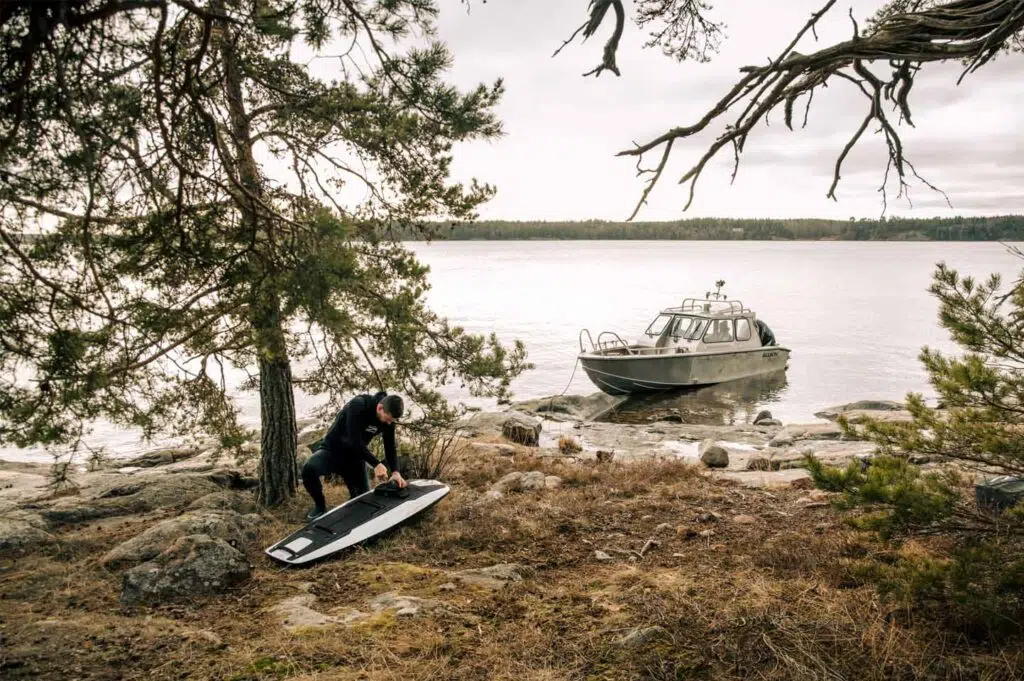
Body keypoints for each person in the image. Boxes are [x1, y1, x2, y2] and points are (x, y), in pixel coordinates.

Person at [301, 391, 407, 521]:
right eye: (388, 419)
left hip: (355, 457)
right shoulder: (358, 405)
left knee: (363, 503)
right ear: (380, 408)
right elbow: (353, 441)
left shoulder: (389, 419)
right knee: (309, 469)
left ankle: (353, 508)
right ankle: (320, 506)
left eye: (392, 421)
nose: (389, 423)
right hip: (332, 450)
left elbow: (390, 446)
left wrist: (395, 472)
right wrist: (376, 464)